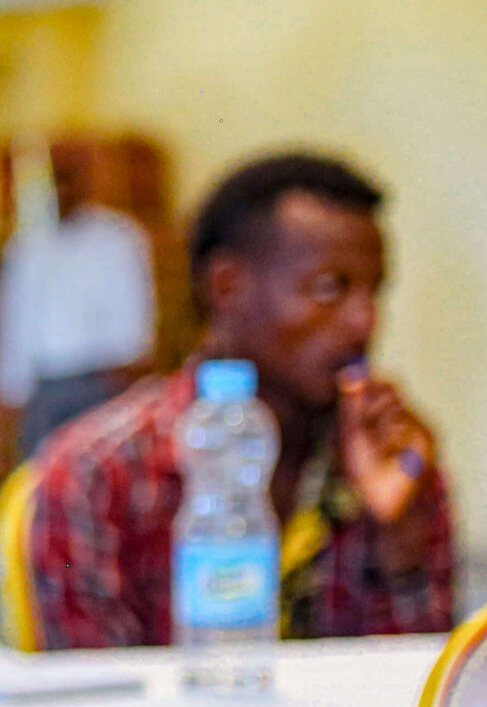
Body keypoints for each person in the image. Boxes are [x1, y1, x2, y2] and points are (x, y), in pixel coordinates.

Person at [27, 150, 455, 649]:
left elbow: (415, 696)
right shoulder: (98, 474)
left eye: (374, 291)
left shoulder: (393, 463)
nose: (365, 321)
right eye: (329, 289)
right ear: (226, 286)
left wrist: (400, 539)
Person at [0, 142, 158, 458]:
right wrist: (11, 386)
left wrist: (128, 366)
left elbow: (136, 308)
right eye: (55, 181)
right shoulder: (27, 244)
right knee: (41, 480)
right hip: (46, 385)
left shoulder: (119, 237)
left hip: (100, 380)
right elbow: (15, 319)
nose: (62, 190)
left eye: (69, 179)